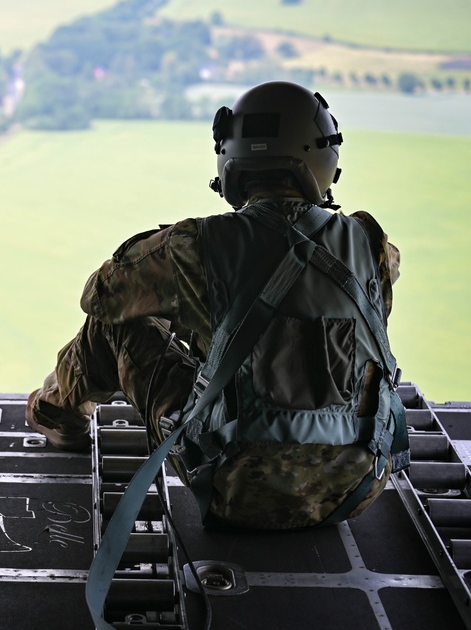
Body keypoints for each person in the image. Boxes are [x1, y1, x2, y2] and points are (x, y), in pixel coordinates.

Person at [27, 81, 403, 529]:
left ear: (231, 159)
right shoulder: (371, 243)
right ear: (324, 158)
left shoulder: (196, 246)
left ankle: (58, 414)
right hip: (354, 487)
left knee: (115, 328)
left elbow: (100, 298)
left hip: (236, 487)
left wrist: (185, 302)